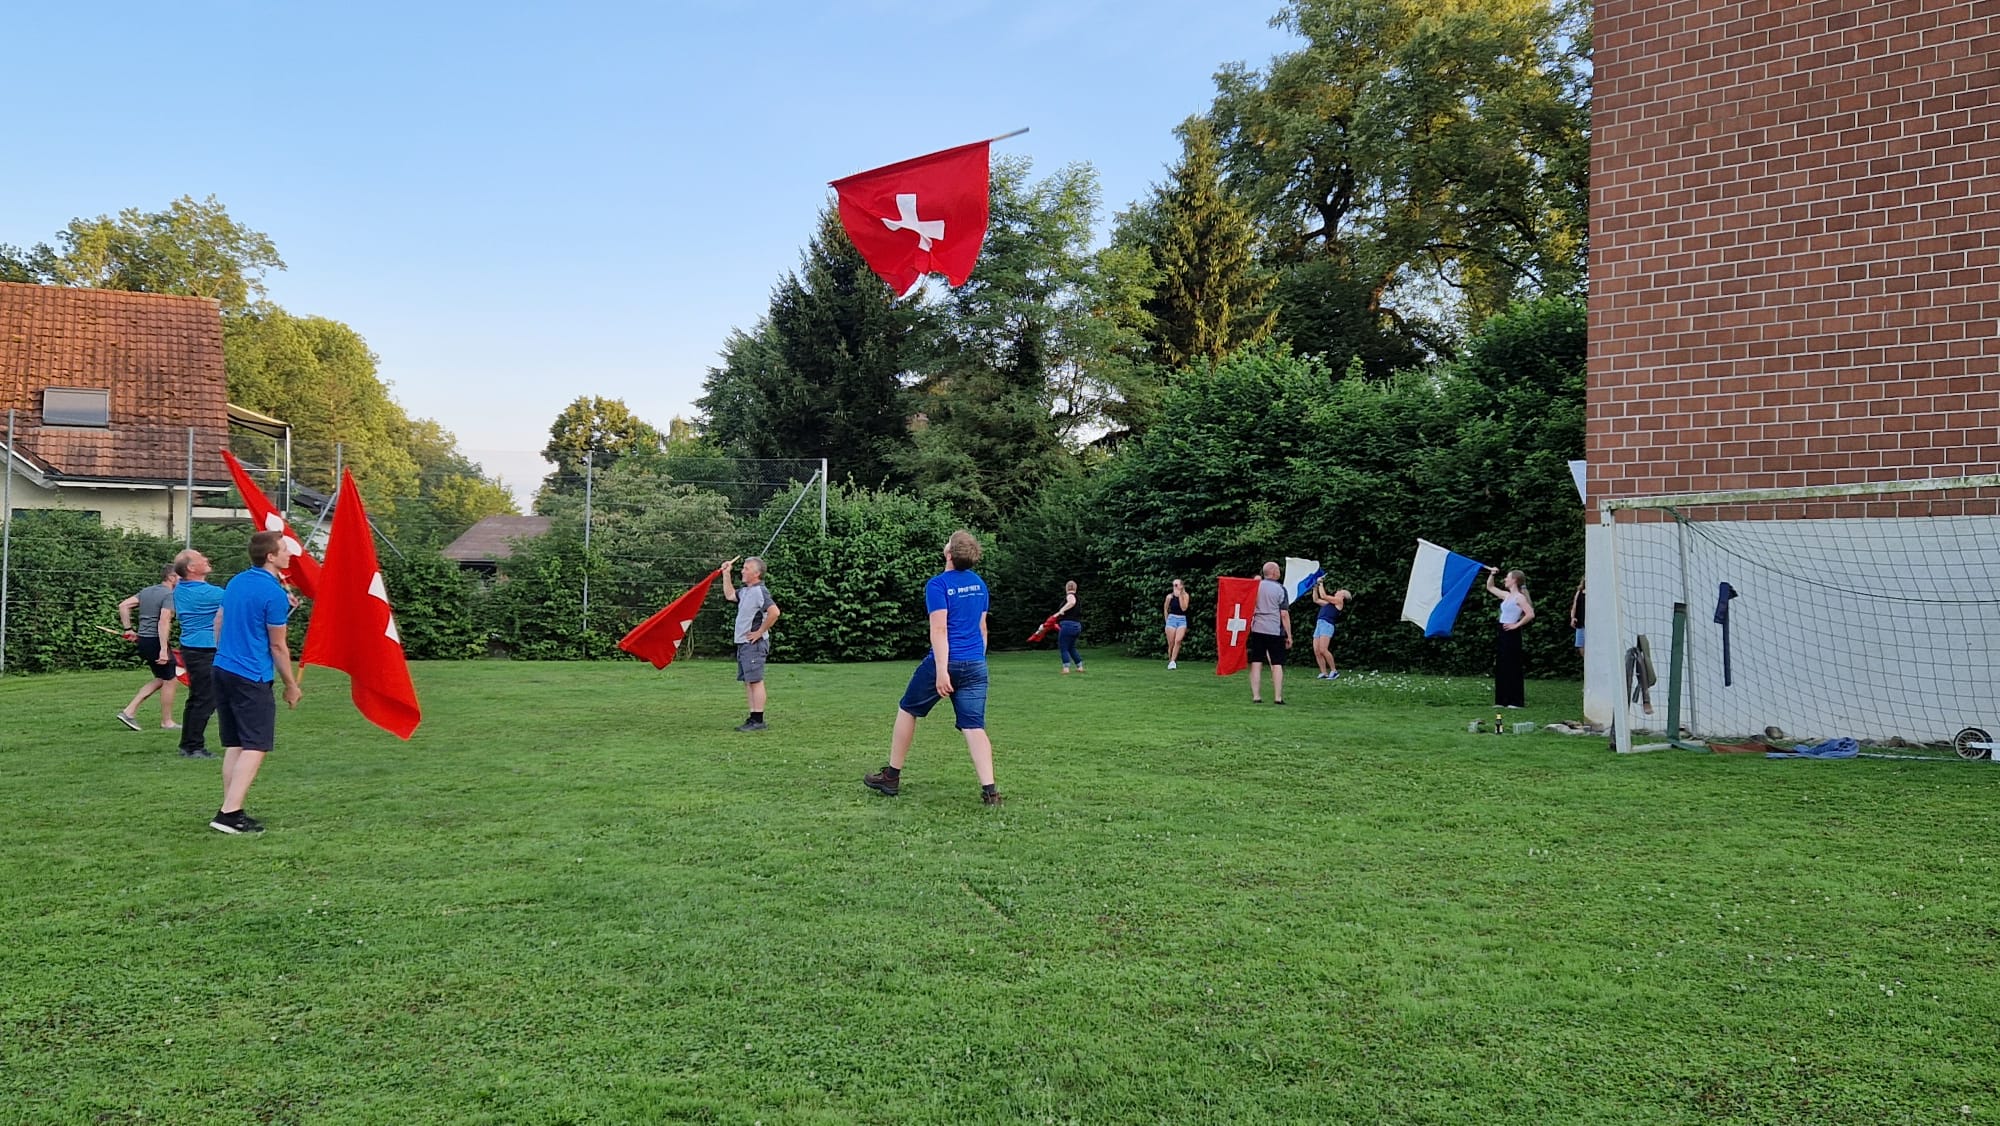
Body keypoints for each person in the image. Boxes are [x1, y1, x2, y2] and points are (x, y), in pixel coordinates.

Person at [864, 530, 1002, 806]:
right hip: (976, 664)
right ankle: (990, 792)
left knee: (907, 709)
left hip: (946, 661)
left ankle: (891, 777)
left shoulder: (938, 585)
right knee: (974, 726)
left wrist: (941, 671)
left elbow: (939, 630)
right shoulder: (979, 584)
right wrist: (977, 659)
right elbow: (982, 628)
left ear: (949, 554)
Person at [208, 530, 303, 835]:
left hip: (222, 668)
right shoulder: (273, 593)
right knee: (256, 744)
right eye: (284, 549)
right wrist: (291, 685)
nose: (289, 554)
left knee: (236, 743)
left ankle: (231, 808)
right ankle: (229, 814)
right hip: (251, 675)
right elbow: (277, 646)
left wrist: (226, 651)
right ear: (271, 556)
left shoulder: (237, 581)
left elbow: (220, 621)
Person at [171, 548, 226, 758]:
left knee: (197, 698)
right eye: (201, 558)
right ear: (191, 568)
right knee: (206, 699)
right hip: (204, 650)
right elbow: (242, 601)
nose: (206, 558)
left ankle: (188, 745)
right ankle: (194, 747)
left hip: (192, 648)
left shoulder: (181, 589)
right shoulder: (208, 593)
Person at [115, 564, 180, 731]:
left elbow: (123, 605)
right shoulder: (169, 595)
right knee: (170, 680)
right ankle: (167, 722)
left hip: (144, 640)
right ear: (171, 577)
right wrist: (163, 650)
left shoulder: (146, 591)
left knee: (161, 678)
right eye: (181, 576)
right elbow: (164, 621)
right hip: (156, 641)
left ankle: (129, 711)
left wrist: (128, 629)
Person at [722, 555, 780, 732]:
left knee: (755, 681)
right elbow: (730, 595)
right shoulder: (746, 591)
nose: (742, 571)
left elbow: (774, 612)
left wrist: (760, 632)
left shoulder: (760, 591)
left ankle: (758, 720)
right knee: (749, 681)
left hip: (754, 644)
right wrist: (726, 573)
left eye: (746, 569)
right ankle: (753, 716)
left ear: (756, 573)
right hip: (744, 643)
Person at [1485, 566, 1536, 708]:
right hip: (1502, 632)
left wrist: (1516, 625)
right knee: (1502, 665)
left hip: (1512, 633)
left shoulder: (1520, 597)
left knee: (1512, 665)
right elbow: (1490, 587)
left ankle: (1515, 701)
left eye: (1507, 577)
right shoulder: (1507, 596)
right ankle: (1502, 700)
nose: (1505, 580)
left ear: (1514, 580)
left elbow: (1530, 614)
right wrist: (1492, 574)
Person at [1247, 561, 1292, 704]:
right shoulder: (1280, 589)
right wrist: (1289, 635)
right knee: (1277, 663)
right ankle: (1278, 697)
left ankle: (1256, 696)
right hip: (1274, 630)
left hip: (1257, 629)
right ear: (1273, 572)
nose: (1280, 572)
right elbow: (1284, 614)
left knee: (1256, 662)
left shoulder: (1256, 587)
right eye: (1278, 570)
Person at [1310, 579, 1350, 681]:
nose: (1338, 591)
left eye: (1340, 591)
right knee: (1317, 650)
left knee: (1323, 649)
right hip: (1320, 624)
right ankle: (1324, 673)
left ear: (1343, 596)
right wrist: (1315, 588)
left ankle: (1334, 671)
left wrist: (1320, 583)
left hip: (1327, 625)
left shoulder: (1339, 602)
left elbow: (1323, 596)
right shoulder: (1329, 603)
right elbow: (1316, 600)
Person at [1053, 580, 1083, 673]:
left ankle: (1066, 668)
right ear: (1076, 588)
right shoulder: (1078, 598)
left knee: (1063, 647)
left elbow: (1071, 602)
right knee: (1071, 647)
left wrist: (1062, 610)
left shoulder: (1070, 596)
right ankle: (1080, 667)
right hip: (1077, 626)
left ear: (1066, 588)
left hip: (1067, 625)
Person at [1162, 578, 1190, 670]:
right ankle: (1171, 660)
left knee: (1178, 640)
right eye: (1174, 585)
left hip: (1182, 619)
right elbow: (1165, 609)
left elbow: (1184, 608)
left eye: (1177, 585)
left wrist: (1180, 595)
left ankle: (1173, 661)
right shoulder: (1169, 597)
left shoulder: (1185, 595)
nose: (1175, 586)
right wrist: (1167, 621)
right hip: (1172, 619)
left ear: (1181, 586)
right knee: (1171, 643)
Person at [1569, 579, 1586, 660]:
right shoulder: (1579, 592)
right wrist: (1572, 618)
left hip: (1590, 625)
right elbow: (1574, 606)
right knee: (1580, 646)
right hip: (1580, 623)